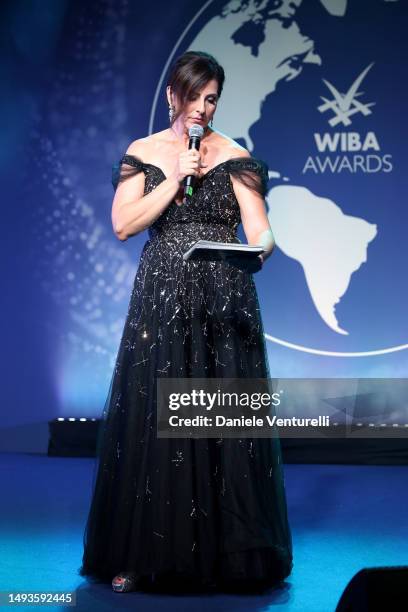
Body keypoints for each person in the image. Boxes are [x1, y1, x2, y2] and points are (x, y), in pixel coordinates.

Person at [79, 50, 293, 593]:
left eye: (213, 99)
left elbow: (261, 231)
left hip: (224, 297)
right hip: (163, 298)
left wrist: (260, 250)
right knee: (158, 418)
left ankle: (229, 551)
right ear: (174, 95)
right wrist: (175, 178)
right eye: (195, 97)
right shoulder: (144, 152)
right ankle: (158, 549)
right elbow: (125, 224)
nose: (203, 109)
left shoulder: (236, 156)